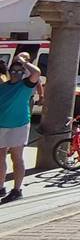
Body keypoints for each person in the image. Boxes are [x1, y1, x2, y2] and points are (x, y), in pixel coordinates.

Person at [0, 53, 42, 204]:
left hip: (19, 125)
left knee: (16, 157)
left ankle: (17, 190)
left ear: (23, 72)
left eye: (19, 71)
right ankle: (1, 186)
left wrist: (23, 62)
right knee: (1, 157)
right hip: (2, 125)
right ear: (9, 72)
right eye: (13, 71)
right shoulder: (3, 87)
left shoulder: (25, 85)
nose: (16, 74)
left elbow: (36, 72)